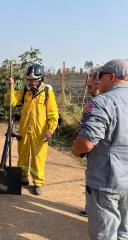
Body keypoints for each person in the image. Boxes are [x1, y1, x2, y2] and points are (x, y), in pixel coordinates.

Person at [71, 59, 128, 239]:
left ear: (111, 77)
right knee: (124, 233)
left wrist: (75, 149)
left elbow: (86, 143)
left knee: (104, 235)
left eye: (100, 77)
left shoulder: (103, 102)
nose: (97, 81)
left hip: (106, 181)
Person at [6, 63, 59, 195]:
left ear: (41, 79)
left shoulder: (47, 92)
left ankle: (38, 182)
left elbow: (53, 114)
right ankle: (23, 178)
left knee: (38, 158)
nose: (32, 83)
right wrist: (10, 87)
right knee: (22, 156)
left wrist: (50, 130)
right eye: (29, 80)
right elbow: (11, 102)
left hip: (39, 133)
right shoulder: (25, 91)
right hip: (24, 130)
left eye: (34, 80)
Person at [79, 66, 102, 217]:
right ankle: (90, 206)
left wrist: (78, 149)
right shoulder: (95, 101)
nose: (88, 89)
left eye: (90, 86)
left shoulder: (101, 104)